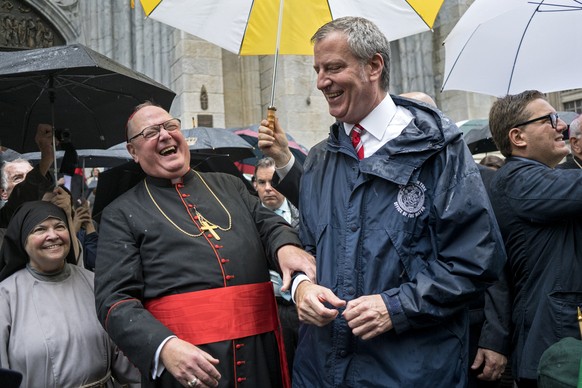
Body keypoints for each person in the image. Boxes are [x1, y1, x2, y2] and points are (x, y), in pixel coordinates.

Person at [261, 17, 506, 387]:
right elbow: (305, 247)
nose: (321, 82)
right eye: (317, 70)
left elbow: (476, 259)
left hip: (412, 371)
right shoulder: (319, 160)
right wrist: (302, 290)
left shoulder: (438, 151)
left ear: (373, 66)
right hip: (321, 370)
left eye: (333, 67)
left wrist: (396, 307)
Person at [94, 102, 316, 388]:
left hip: (261, 355)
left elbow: (270, 226)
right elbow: (114, 301)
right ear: (133, 152)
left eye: (171, 126)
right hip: (187, 367)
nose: (165, 135)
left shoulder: (230, 185)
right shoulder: (120, 214)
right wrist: (165, 347)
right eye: (150, 132)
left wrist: (286, 247)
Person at [488, 90, 582, 388]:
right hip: (554, 351)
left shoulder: (538, 178)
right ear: (518, 137)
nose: (562, 126)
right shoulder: (518, 180)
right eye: (550, 119)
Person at [0, 201, 140, 386]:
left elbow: (123, 355)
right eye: (40, 229)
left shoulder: (94, 282)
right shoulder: (6, 295)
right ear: (23, 240)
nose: (53, 235)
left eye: (60, 226)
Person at [253, 156, 300, 378]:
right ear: (254, 185)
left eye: (273, 181)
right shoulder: (246, 219)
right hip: (268, 309)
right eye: (262, 183)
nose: (268, 188)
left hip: (303, 308)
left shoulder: (303, 212)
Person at [0, 123, 54, 227]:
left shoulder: (54, 212)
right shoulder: (6, 219)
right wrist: (47, 158)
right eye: (18, 178)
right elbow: (23, 194)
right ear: (3, 193)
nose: (26, 181)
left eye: (29, 175)